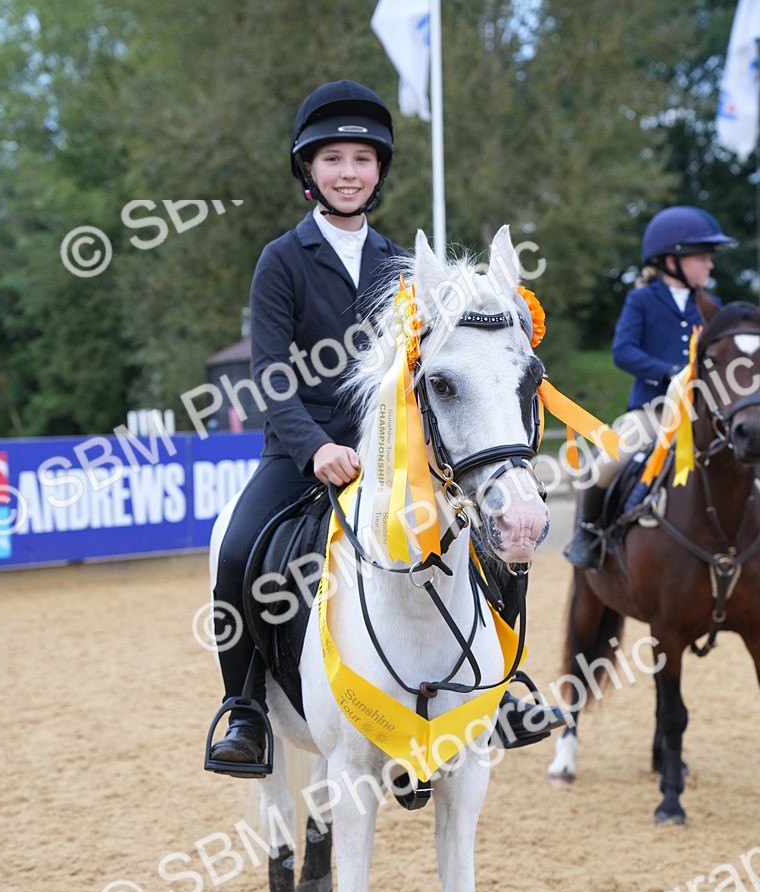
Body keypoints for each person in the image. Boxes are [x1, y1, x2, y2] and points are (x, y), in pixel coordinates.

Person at [207, 79, 563, 772]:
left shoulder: (407, 268)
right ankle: (244, 706)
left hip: (397, 454)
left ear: (379, 173)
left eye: (362, 160)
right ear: (308, 170)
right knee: (239, 553)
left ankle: (505, 681)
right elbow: (272, 375)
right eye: (333, 159)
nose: (348, 172)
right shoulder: (281, 261)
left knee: (495, 540)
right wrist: (315, 449)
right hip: (301, 452)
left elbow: (443, 369)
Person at [564, 205, 736, 570]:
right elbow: (623, 351)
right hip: (652, 412)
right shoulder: (641, 300)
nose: (710, 265)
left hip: (703, 412)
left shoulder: (712, 306)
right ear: (672, 259)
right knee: (605, 465)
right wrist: (670, 371)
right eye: (702, 257)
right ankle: (588, 533)